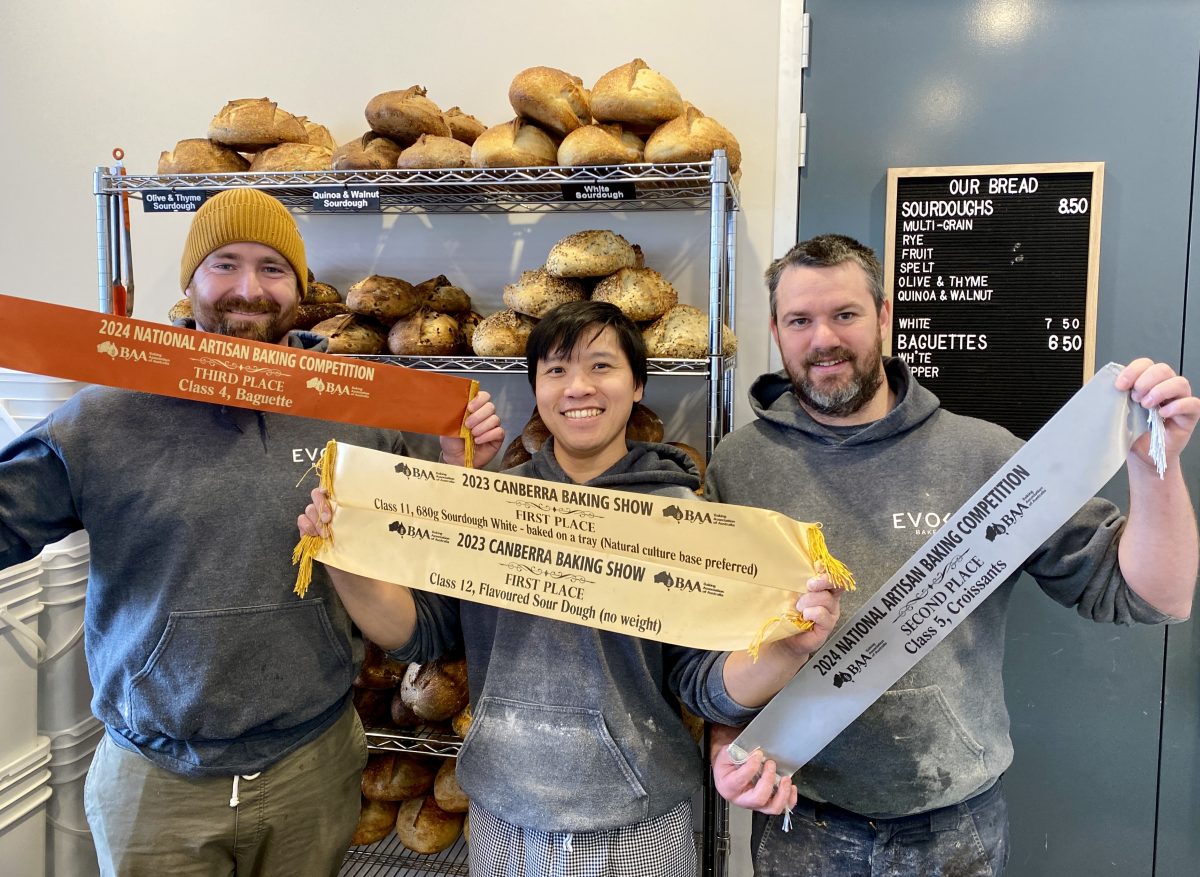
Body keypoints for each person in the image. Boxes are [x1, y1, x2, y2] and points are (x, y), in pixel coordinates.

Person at [0, 187, 504, 877]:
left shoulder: (356, 402)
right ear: (189, 281)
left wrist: (463, 459)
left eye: (272, 268)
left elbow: (441, 534)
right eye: (224, 264)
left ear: (299, 286)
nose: (249, 288)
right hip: (156, 779)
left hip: (311, 765)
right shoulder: (106, 414)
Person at [707, 233, 1199, 877]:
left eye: (845, 314)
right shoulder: (739, 466)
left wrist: (1155, 464)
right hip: (804, 816)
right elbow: (711, 646)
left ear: (884, 317)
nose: (822, 338)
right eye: (800, 320)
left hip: (956, 822)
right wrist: (726, 748)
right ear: (776, 330)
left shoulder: (984, 456)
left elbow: (1151, 596)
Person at [298, 299, 842, 877]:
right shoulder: (494, 504)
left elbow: (703, 683)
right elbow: (423, 635)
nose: (578, 386)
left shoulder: (682, 518)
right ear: (536, 389)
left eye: (601, 366)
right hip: (500, 810)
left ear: (637, 386)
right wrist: (342, 558)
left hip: (634, 821)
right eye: (556, 371)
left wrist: (787, 648)